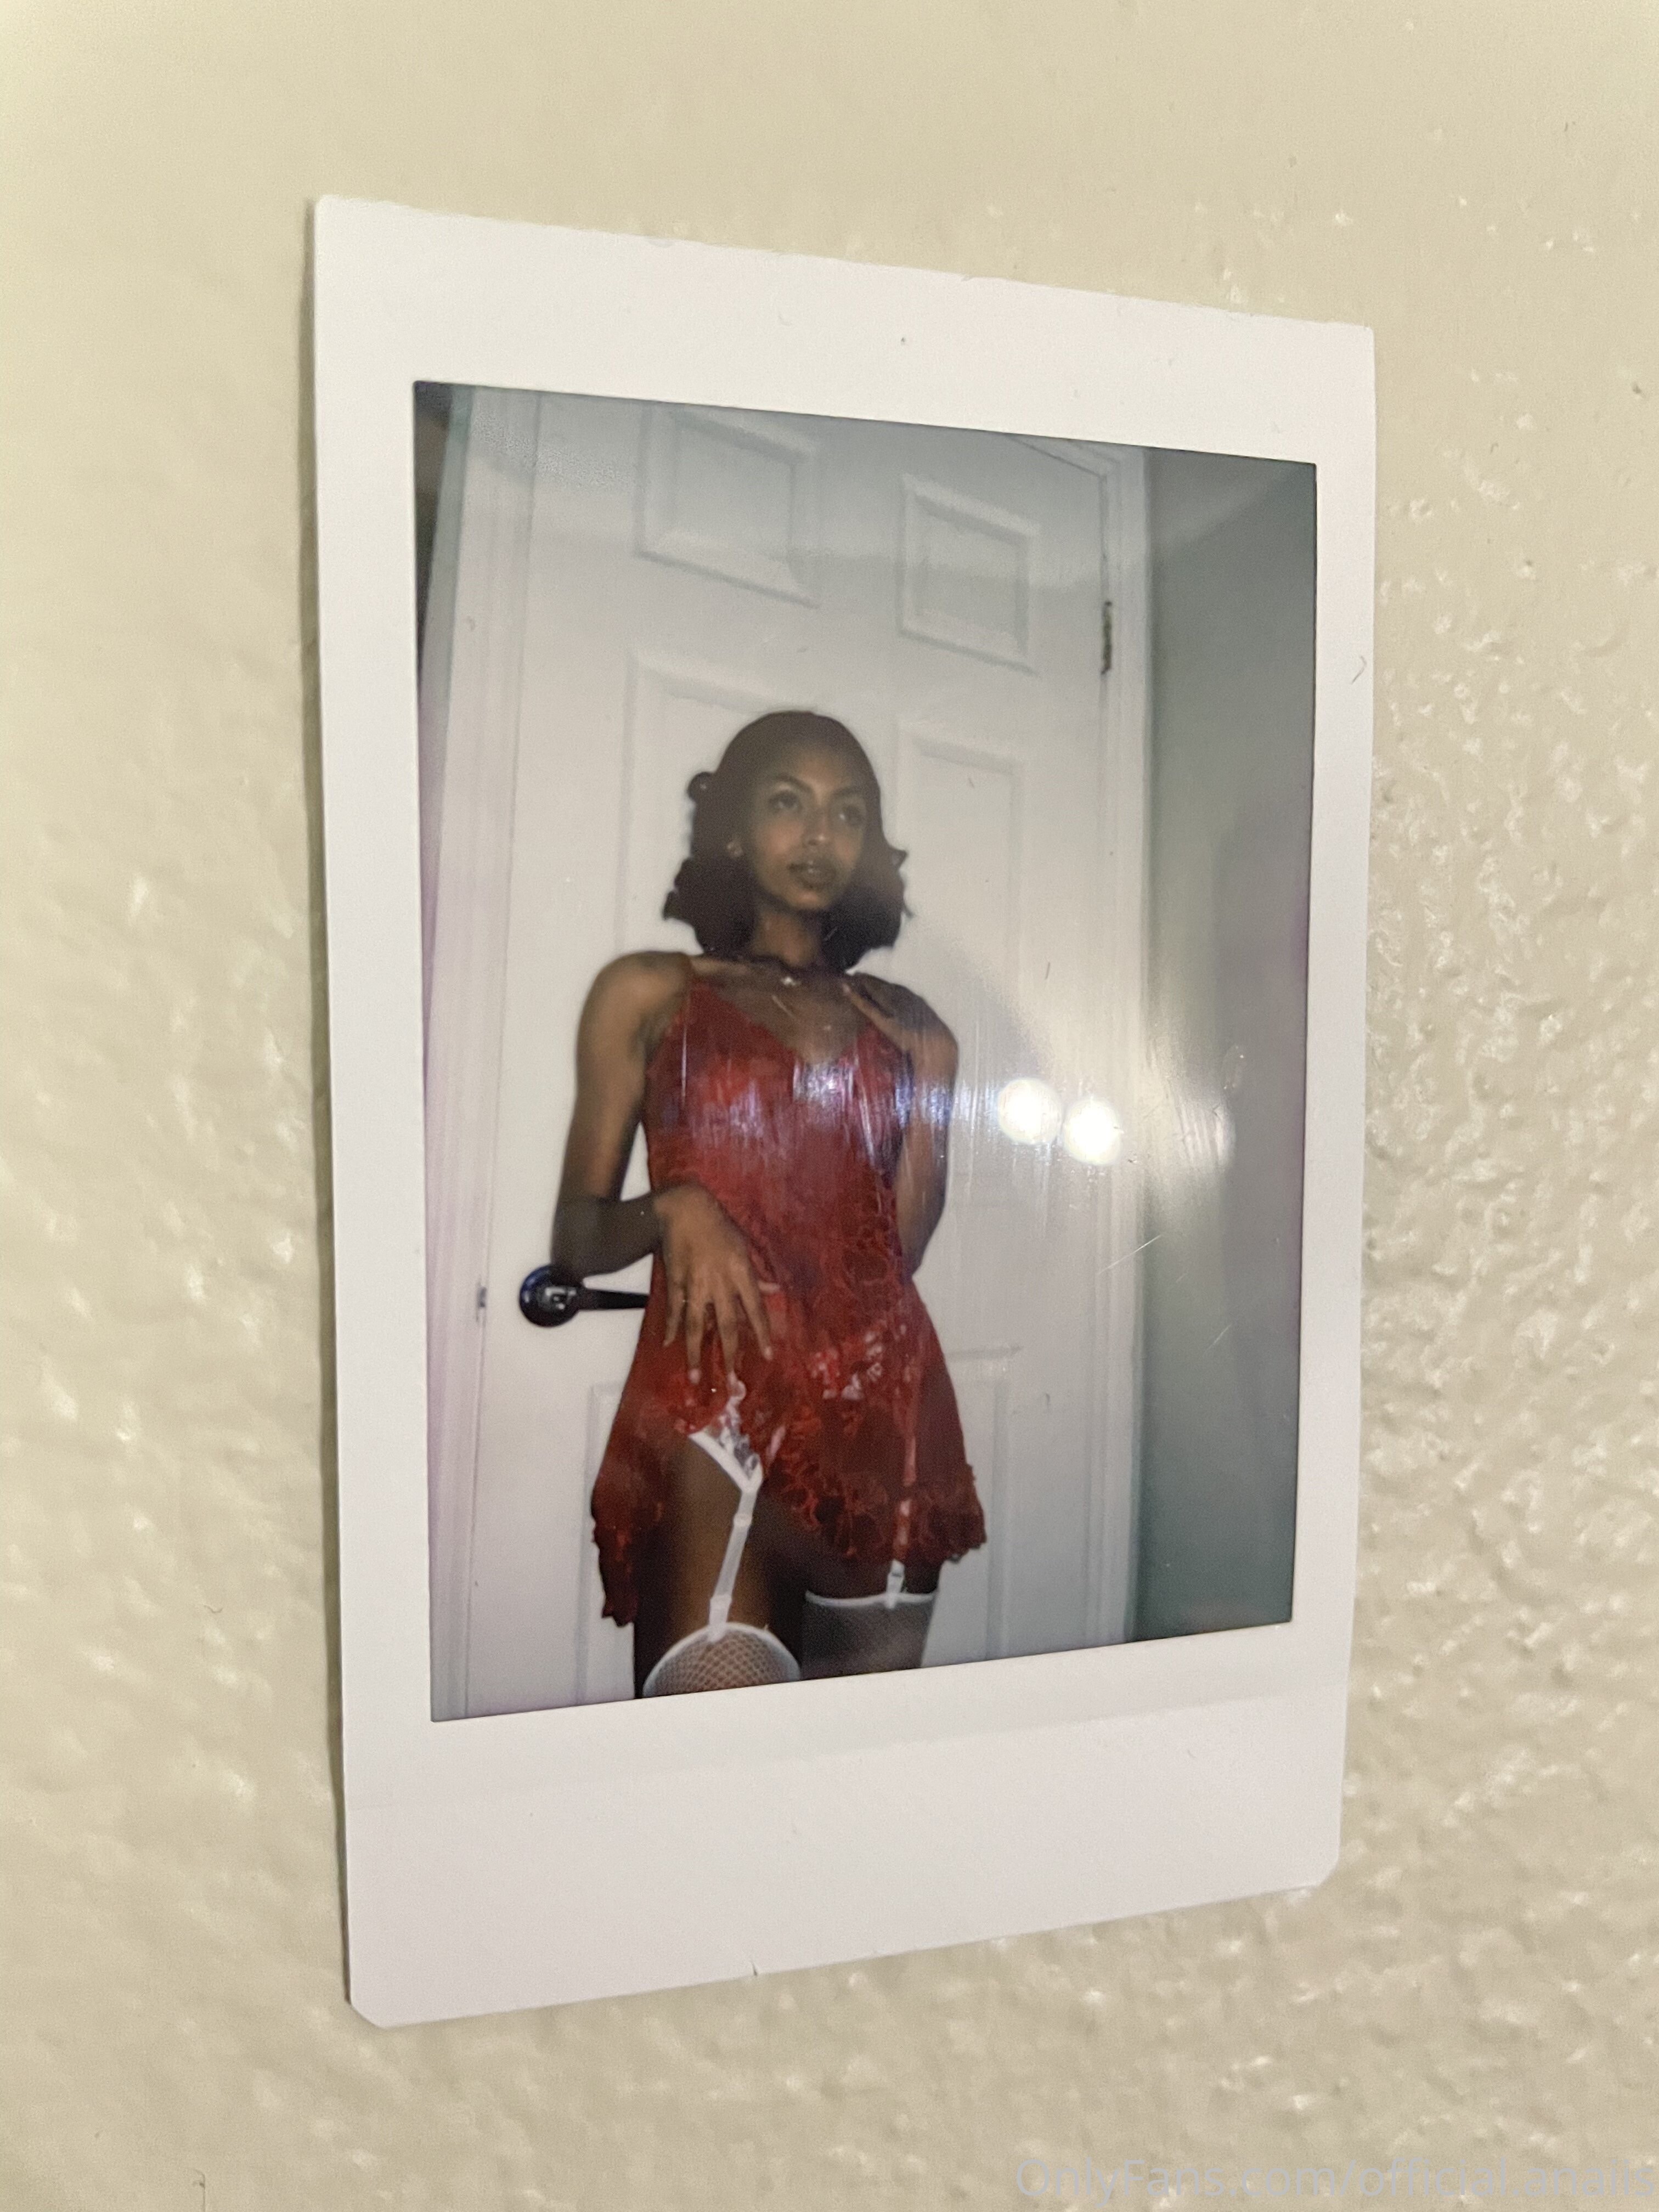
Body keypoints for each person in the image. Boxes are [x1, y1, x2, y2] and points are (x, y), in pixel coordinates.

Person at [551, 709, 985, 1695]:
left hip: (884, 1419)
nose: (820, 834)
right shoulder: (648, 993)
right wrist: (673, 1208)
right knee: (711, 1761)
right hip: (716, 1409)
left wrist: (936, 1080)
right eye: (789, 802)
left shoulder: (905, 1026)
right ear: (737, 833)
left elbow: (896, 1254)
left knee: (858, 1759)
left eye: (848, 813)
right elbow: (576, 1239)